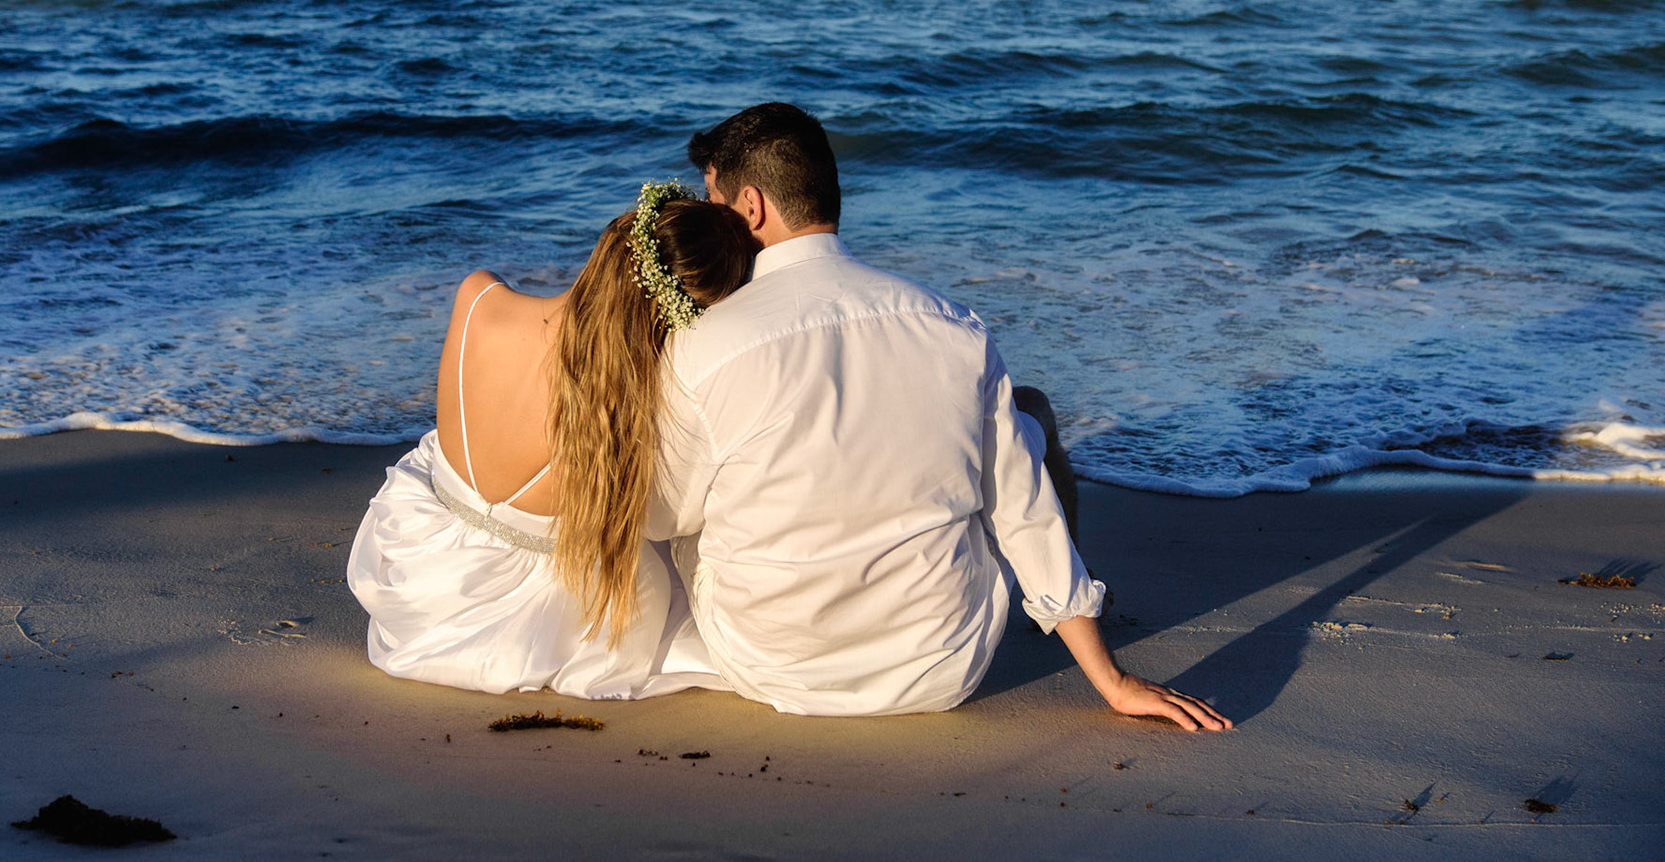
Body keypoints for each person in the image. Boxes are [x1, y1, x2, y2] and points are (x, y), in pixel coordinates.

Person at [650, 102, 1231, 729]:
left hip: (772, 664)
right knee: (1022, 420)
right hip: (941, 664)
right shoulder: (950, 324)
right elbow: (1022, 508)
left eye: (713, 200)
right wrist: (1111, 682)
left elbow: (664, 515)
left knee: (688, 500)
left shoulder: (705, 345)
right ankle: (1070, 610)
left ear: (752, 206)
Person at [346, 187, 755, 699]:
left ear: (613, 242)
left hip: (417, 569)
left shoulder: (477, 297)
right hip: (534, 618)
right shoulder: (625, 409)